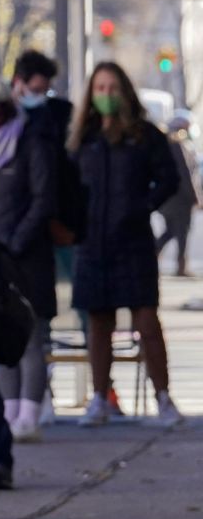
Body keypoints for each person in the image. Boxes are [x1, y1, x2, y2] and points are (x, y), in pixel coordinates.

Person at [69, 63, 184, 429]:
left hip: (132, 240)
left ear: (124, 91)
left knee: (147, 322)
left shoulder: (145, 136)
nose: (106, 95)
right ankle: (100, 397)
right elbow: (67, 185)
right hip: (92, 243)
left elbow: (168, 180)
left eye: (112, 87)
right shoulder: (83, 139)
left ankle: (163, 397)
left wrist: (141, 207)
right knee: (98, 324)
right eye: (99, 88)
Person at [0, 72, 58, 450]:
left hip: (27, 256)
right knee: (2, 336)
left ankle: (28, 414)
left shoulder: (29, 140)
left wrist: (17, 241)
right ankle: (9, 413)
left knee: (32, 337)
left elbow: (43, 197)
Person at [156, 116, 199, 276]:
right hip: (179, 199)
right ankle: (181, 265)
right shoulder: (177, 146)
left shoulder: (172, 146)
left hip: (171, 199)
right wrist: (195, 197)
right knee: (180, 231)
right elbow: (186, 176)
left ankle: (156, 252)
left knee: (173, 230)